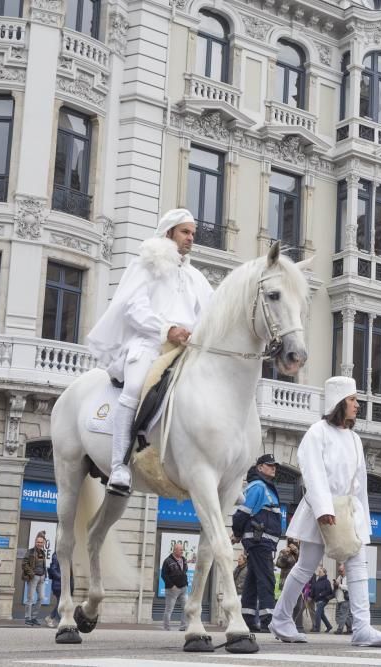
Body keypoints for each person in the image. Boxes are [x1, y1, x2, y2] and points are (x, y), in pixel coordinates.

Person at [87, 208, 213, 496]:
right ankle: (119, 465)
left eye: (193, 233)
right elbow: (133, 306)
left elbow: (212, 311)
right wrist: (167, 329)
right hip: (148, 343)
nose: (191, 238)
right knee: (134, 388)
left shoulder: (195, 276)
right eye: (185, 232)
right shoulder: (146, 264)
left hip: (185, 349)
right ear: (169, 233)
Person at [270, 376, 381, 648]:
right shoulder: (317, 431)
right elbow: (312, 471)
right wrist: (324, 508)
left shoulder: (354, 439)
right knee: (305, 567)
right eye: (353, 400)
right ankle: (280, 618)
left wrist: (361, 520)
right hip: (322, 508)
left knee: (358, 565)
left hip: (347, 510)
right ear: (339, 402)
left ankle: (362, 627)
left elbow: (359, 483)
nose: (357, 405)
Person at [231, 453, 282, 632]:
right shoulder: (258, 487)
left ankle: (248, 619)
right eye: (269, 465)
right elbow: (242, 513)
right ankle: (269, 621)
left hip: (260, 542)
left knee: (252, 581)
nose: (273, 467)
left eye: (274, 465)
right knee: (267, 579)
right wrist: (237, 532)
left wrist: (238, 534)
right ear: (260, 467)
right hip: (259, 541)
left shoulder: (263, 486)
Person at [160, 542, 188, 632]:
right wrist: (172, 586)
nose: (182, 551)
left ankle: (183, 626)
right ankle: (166, 627)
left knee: (186, 608)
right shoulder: (168, 561)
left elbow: (184, 571)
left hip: (183, 588)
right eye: (180, 550)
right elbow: (163, 575)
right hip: (172, 589)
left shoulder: (183, 559)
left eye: (182, 550)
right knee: (169, 609)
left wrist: (185, 583)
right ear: (175, 550)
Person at [21, 532, 47, 627]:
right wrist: (31, 573)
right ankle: (28, 618)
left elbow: (43, 565)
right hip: (33, 577)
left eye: (41, 542)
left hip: (42, 577)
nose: (39, 544)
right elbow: (24, 564)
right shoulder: (30, 551)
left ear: (44, 543)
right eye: (38, 542)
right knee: (30, 599)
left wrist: (45, 574)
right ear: (35, 542)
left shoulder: (43, 552)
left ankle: (34, 617)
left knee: (41, 598)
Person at [309, 566, 334, 633]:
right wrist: (311, 597)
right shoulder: (317, 581)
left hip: (323, 600)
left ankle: (317, 628)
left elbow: (329, 590)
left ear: (324, 573)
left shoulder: (327, 581)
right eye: (319, 572)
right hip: (317, 600)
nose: (319, 573)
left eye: (320, 572)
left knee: (317, 613)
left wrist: (321, 594)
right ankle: (329, 626)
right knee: (321, 614)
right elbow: (313, 590)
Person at [45, 551, 63, 628]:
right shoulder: (57, 555)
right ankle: (51, 618)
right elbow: (53, 570)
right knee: (60, 603)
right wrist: (63, 578)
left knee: (61, 603)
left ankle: (58, 621)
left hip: (63, 584)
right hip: (58, 584)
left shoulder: (65, 555)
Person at [333, 563, 352, 634]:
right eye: (339, 571)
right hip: (339, 599)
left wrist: (339, 585)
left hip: (345, 599)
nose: (340, 572)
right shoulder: (339, 577)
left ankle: (339, 629)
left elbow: (349, 588)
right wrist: (335, 584)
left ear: (345, 570)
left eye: (341, 571)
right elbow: (337, 587)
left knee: (342, 615)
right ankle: (350, 629)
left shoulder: (349, 578)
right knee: (347, 615)